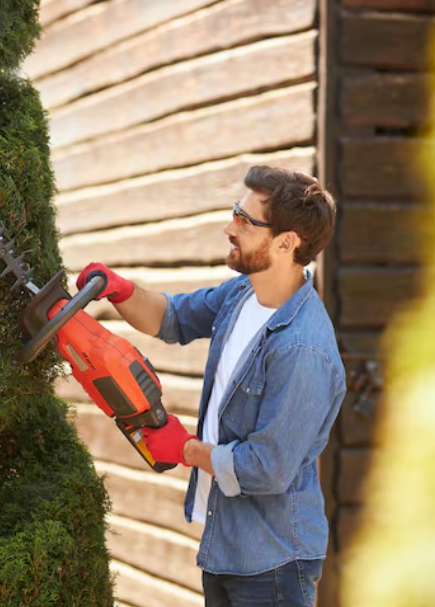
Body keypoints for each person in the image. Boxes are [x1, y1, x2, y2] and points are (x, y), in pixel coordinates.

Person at [76, 166, 346, 607]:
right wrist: (122, 290)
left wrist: (186, 450)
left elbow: (266, 467)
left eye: (244, 220)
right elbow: (172, 317)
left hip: (272, 561)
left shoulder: (302, 349)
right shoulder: (242, 294)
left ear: (286, 242)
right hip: (228, 545)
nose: (229, 227)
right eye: (234, 213)